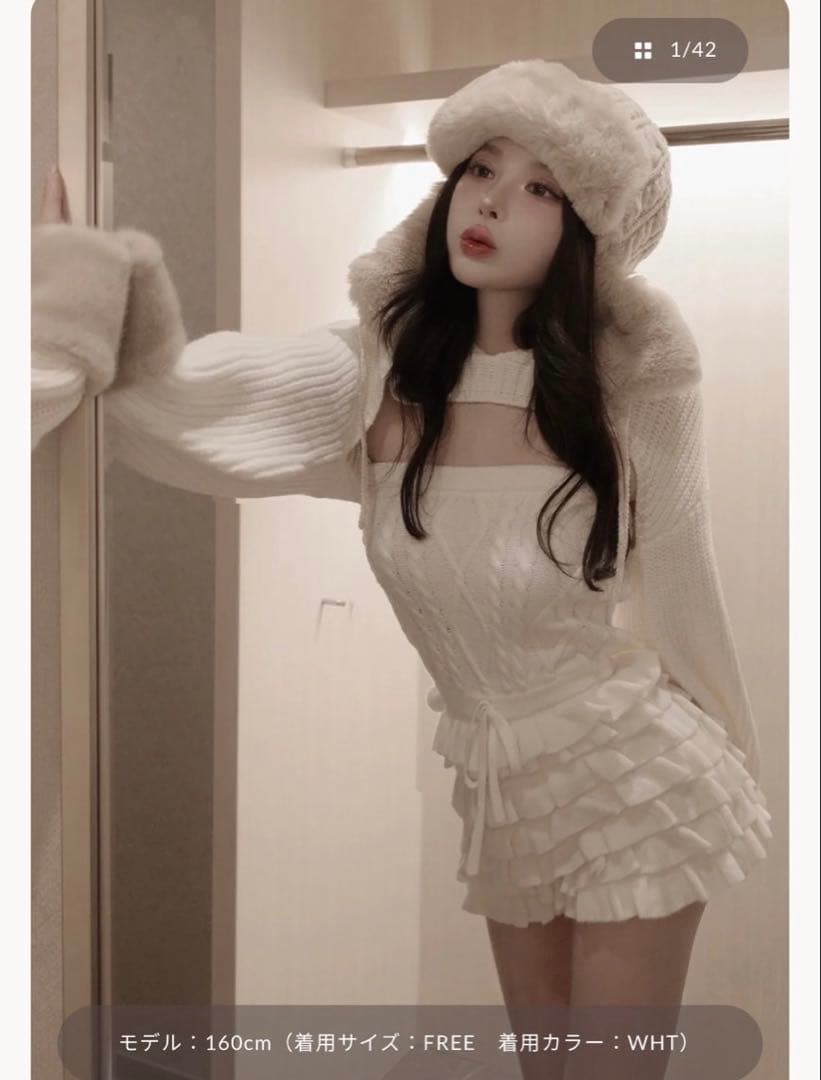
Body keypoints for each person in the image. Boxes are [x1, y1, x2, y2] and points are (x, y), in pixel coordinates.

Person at [32, 59, 772, 1074]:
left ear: (583, 236)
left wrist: (738, 759)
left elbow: (683, 578)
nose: (491, 201)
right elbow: (172, 403)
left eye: (540, 187)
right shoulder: (374, 376)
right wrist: (73, 283)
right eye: (481, 168)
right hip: (502, 788)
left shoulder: (629, 382)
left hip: (634, 778)